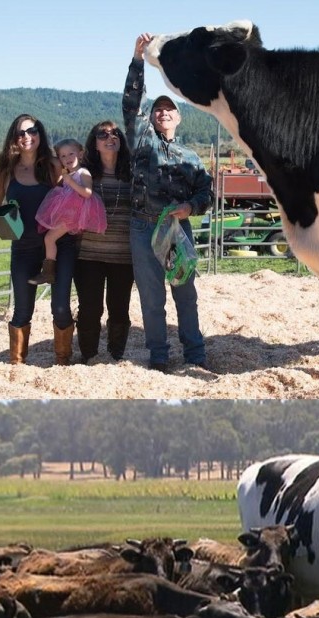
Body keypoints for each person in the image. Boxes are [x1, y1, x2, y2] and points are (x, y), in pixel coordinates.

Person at [123, 32, 213, 372]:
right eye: (158, 108)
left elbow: (206, 193)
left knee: (186, 296)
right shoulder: (141, 142)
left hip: (178, 230)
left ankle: (195, 355)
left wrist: (191, 207)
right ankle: (159, 357)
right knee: (151, 299)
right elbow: (133, 103)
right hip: (143, 227)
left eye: (169, 109)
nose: (162, 112)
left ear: (178, 118)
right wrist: (138, 59)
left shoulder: (190, 156)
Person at [0, 114, 77, 365]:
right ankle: (16, 364)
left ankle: (62, 361)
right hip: (23, 247)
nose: (27, 136)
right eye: (21, 133)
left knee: (60, 308)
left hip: (59, 246)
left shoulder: (54, 165)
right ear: (13, 139)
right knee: (22, 310)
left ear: (40, 133)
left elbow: (73, 194)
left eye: (32, 130)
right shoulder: (4, 171)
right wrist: (5, 223)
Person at [74, 122, 134, 363]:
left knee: (119, 309)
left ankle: (115, 354)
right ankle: (89, 355)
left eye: (115, 133)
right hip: (88, 254)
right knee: (89, 309)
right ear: (94, 143)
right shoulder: (84, 174)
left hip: (123, 255)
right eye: (103, 134)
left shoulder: (132, 173)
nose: (110, 137)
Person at [31, 138, 107, 286]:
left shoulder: (82, 172)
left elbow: (87, 193)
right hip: (68, 213)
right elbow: (53, 161)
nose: (67, 158)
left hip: (73, 215)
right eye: (63, 156)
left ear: (80, 154)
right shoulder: (68, 173)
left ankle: (48, 272)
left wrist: (70, 182)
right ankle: (49, 271)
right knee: (49, 237)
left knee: (49, 238)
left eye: (71, 154)